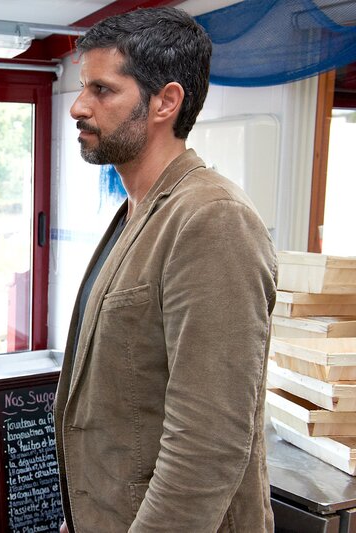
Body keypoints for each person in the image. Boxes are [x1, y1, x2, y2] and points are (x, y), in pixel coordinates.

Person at [54, 7, 276, 532]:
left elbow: (207, 445)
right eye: (83, 88)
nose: (78, 107)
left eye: (102, 90)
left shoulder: (212, 218)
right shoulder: (138, 212)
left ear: (166, 102)